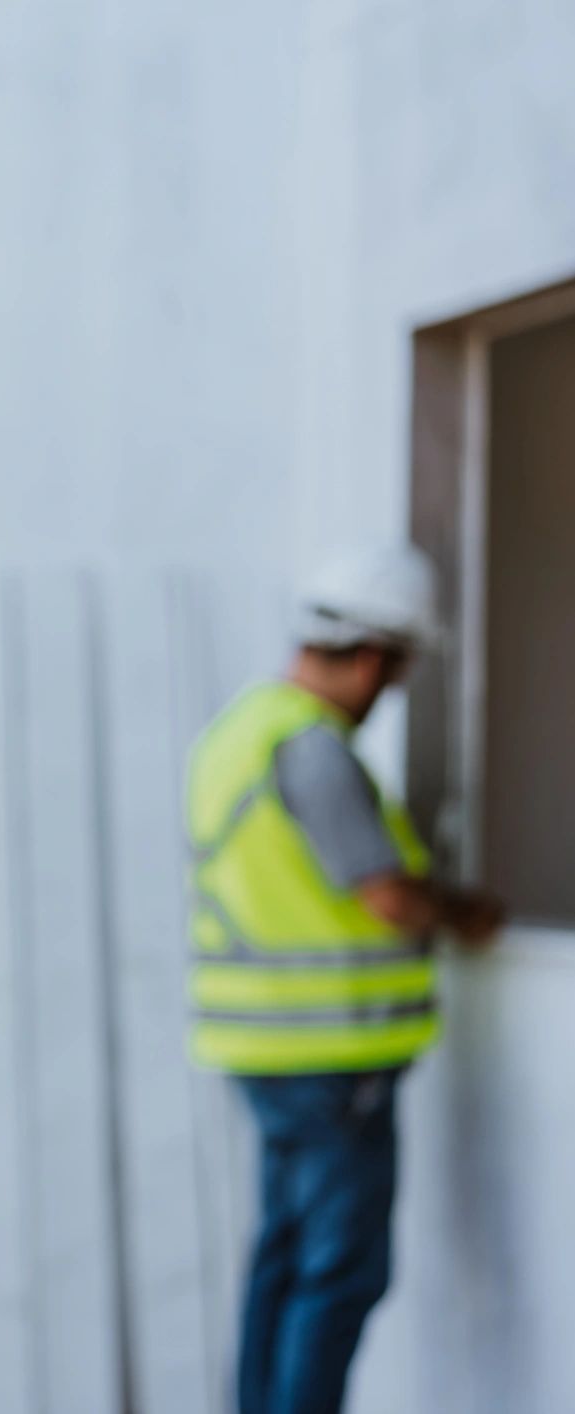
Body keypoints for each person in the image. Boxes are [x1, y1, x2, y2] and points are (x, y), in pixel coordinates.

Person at [184, 543, 503, 1414]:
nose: (387, 692)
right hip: (331, 1059)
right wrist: (465, 912)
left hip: (267, 1047)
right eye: (394, 673)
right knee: (337, 1274)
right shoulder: (310, 748)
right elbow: (385, 893)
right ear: (370, 656)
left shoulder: (238, 732)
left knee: (285, 1260)